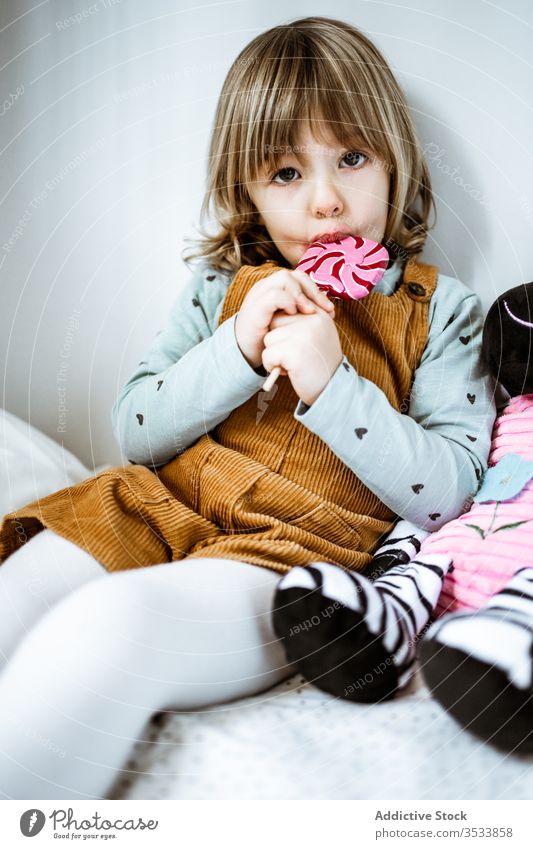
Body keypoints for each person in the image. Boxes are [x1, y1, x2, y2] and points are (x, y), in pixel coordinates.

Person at [0, 16, 496, 800]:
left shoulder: (444, 310)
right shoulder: (218, 287)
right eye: (286, 174)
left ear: (396, 161)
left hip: (281, 556)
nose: (327, 201)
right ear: (247, 192)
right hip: (148, 505)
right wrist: (236, 345)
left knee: (104, 635)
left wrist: (334, 388)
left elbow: (451, 494)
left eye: (352, 158)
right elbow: (134, 431)